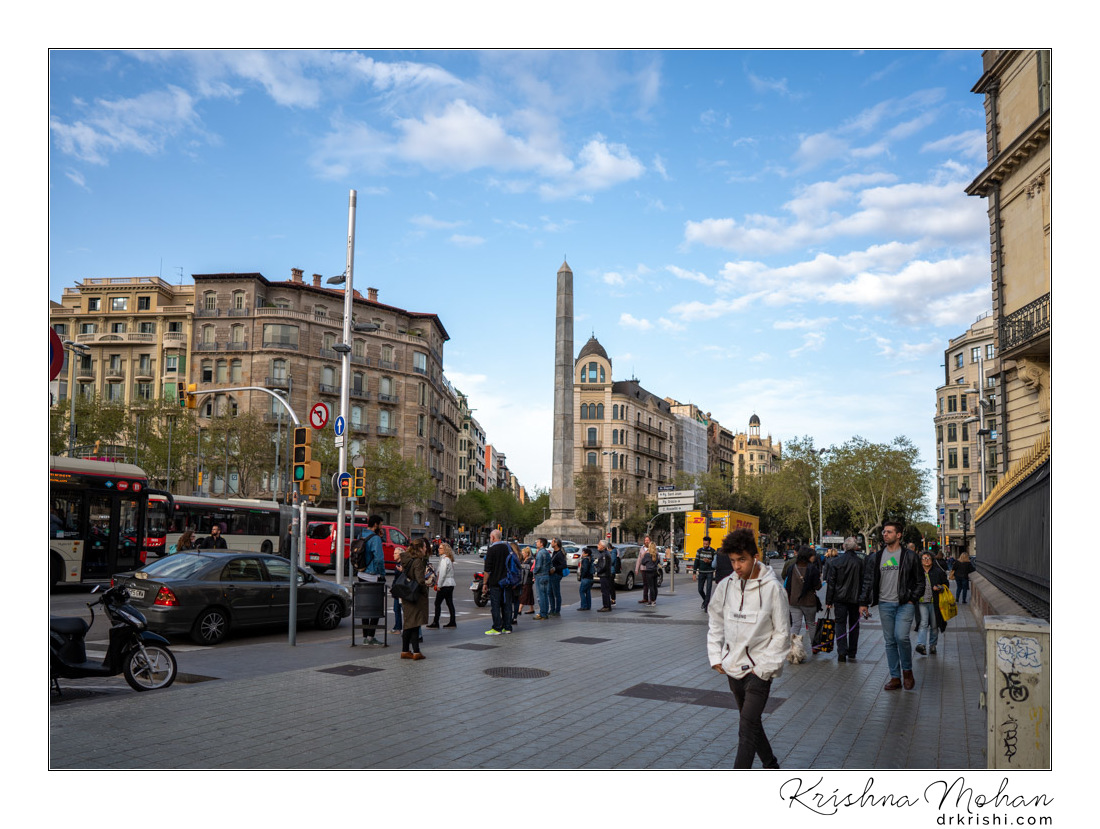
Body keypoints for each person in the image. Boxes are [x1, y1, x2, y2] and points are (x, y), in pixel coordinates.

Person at [707, 527, 788, 770]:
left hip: (758, 672)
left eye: (741, 559)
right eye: (732, 560)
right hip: (732, 669)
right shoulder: (726, 586)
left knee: (745, 728)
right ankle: (771, 764)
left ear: (755, 555)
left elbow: (782, 632)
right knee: (751, 723)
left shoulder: (773, 588)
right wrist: (716, 655)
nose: (736, 566)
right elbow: (715, 620)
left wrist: (764, 669)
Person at [859, 521, 924, 691]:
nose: (885, 534)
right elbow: (867, 581)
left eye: (889, 532)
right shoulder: (876, 557)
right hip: (885, 604)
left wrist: (912, 599)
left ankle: (907, 672)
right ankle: (895, 677)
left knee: (901, 637)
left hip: (904, 603)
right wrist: (863, 603)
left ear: (898, 535)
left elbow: (920, 582)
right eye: (884, 532)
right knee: (889, 641)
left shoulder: (910, 556)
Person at [825, 537, 864, 663]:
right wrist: (864, 601)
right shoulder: (860, 562)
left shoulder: (836, 562)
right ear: (856, 547)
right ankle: (852, 651)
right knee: (854, 625)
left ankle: (842, 651)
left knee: (840, 624)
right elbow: (864, 582)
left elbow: (831, 583)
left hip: (840, 598)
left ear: (844, 546)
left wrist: (829, 600)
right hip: (855, 598)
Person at [356, 514, 387, 646]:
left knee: (364, 606)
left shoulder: (361, 535)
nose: (381, 527)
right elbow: (379, 559)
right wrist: (382, 574)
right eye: (380, 524)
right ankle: (371, 637)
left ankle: (365, 637)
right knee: (375, 607)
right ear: (376, 525)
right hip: (372, 575)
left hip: (361, 573)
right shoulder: (375, 539)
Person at [785, 546, 822, 655]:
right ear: (808, 556)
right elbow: (818, 586)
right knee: (811, 624)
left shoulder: (792, 567)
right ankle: (815, 647)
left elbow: (788, 583)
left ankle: (793, 648)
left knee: (796, 624)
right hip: (809, 602)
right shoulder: (812, 569)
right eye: (812, 555)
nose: (814, 557)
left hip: (794, 601)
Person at [398, 538, 429, 659]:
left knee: (408, 623)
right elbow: (420, 580)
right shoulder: (417, 562)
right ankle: (416, 651)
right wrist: (425, 590)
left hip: (406, 593)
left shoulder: (407, 559)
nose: (426, 549)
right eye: (425, 547)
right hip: (415, 595)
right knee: (415, 623)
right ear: (420, 548)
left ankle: (405, 650)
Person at [915, 551, 948, 656]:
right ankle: (921, 645)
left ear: (932, 560)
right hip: (921, 602)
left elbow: (946, 584)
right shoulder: (917, 572)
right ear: (921, 561)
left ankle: (932, 645)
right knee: (923, 623)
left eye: (928, 558)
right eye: (924, 558)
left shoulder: (938, 571)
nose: (926, 560)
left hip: (935, 603)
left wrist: (939, 587)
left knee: (934, 625)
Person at [481, 529, 512, 635]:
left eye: (490, 537)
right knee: (506, 604)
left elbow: (487, 569)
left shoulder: (492, 550)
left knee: (495, 605)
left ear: (493, 538)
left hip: (495, 582)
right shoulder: (507, 548)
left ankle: (497, 627)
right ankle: (507, 627)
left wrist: (485, 583)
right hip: (507, 581)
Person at [427, 542, 457, 629]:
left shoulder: (444, 560)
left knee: (437, 603)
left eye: (440, 548)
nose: (438, 550)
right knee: (449, 603)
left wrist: (439, 585)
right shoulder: (449, 559)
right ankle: (452, 621)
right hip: (450, 584)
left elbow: (442, 574)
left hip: (445, 585)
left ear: (445, 550)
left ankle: (436, 622)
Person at [693, 535, 717, 611]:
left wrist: (709, 561)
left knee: (709, 589)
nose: (705, 545)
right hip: (701, 572)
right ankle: (706, 601)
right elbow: (696, 562)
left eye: (706, 544)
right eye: (704, 544)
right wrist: (694, 573)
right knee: (700, 589)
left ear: (709, 543)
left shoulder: (713, 551)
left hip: (709, 572)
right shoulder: (699, 551)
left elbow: (715, 563)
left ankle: (706, 606)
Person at [532, 538, 552, 620]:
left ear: (542, 544)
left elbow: (538, 566)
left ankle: (543, 613)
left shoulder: (540, 553)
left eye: (538, 542)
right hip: (546, 575)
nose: (536, 543)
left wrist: (534, 572)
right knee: (545, 595)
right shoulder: (547, 552)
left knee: (541, 596)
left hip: (540, 575)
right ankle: (545, 612)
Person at [548, 539, 567, 616]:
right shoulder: (554, 552)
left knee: (556, 593)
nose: (551, 543)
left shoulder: (559, 554)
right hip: (552, 575)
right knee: (550, 593)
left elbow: (564, 565)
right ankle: (552, 609)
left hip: (556, 575)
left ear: (556, 544)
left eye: (552, 542)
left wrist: (555, 569)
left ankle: (557, 610)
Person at [595, 540, 614, 612]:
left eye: (599, 545)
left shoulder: (604, 554)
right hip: (605, 574)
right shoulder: (605, 553)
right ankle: (607, 605)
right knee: (605, 591)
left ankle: (606, 606)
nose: (598, 546)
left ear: (603, 546)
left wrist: (598, 570)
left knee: (605, 591)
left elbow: (603, 566)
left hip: (604, 575)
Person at [516, 546, 535, 616]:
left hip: (528, 579)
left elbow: (531, 569)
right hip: (523, 579)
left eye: (523, 553)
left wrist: (522, 566)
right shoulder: (523, 560)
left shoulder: (531, 560)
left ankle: (519, 609)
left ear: (527, 553)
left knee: (524, 594)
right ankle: (531, 608)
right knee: (529, 594)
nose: (522, 554)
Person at [641, 540, 660, 605]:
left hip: (648, 572)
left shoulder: (647, 555)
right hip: (654, 571)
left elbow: (643, 563)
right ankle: (654, 600)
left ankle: (652, 600)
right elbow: (658, 562)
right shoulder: (656, 555)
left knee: (651, 586)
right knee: (655, 586)